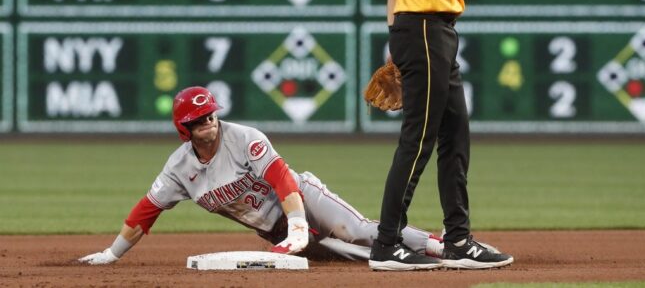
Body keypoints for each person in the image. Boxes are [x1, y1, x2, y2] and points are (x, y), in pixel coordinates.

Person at [78, 86, 444, 266]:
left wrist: (298, 224)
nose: (208, 121)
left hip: (302, 198)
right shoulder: (178, 170)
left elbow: (281, 178)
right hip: (273, 229)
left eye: (210, 115)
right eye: (199, 120)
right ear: (183, 128)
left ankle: (436, 245)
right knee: (347, 255)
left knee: (356, 230)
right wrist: (112, 254)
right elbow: (145, 212)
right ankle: (417, 259)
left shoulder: (244, 138)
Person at [368, 0, 514, 271]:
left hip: (425, 31)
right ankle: (387, 243)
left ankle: (458, 240)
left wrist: (395, 38)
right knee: (419, 139)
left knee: (455, 136)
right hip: (425, 29)